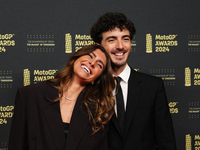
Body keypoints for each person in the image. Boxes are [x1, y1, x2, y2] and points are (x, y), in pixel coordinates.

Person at [90, 12, 177, 150]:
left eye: (125, 39)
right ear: (98, 46)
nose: (120, 46)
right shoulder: (90, 87)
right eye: (112, 40)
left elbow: (166, 142)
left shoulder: (153, 86)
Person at [8, 44, 115, 150]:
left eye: (99, 65)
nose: (92, 63)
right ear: (76, 58)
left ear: (97, 79)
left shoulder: (100, 113)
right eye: (90, 56)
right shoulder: (30, 95)